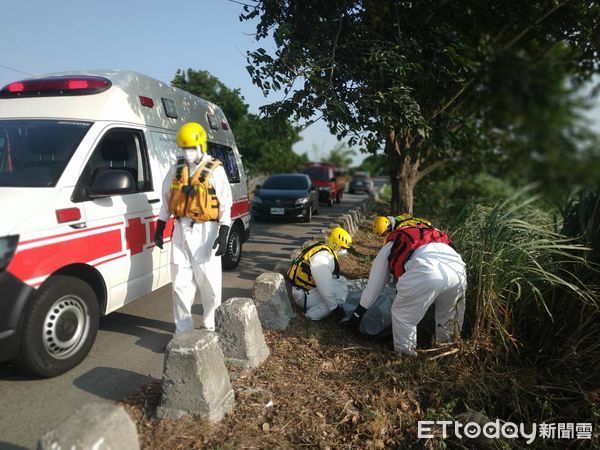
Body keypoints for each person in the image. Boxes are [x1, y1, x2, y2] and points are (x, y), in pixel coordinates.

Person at [153, 122, 233, 335]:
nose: (186, 153)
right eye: (183, 148)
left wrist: (224, 231)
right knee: (180, 284)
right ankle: (183, 332)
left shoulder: (215, 170)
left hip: (206, 232)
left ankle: (209, 325)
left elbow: (225, 202)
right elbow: (167, 200)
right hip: (180, 230)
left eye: (191, 148)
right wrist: (160, 226)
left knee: (209, 283)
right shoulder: (176, 169)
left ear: (201, 146)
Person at [344, 222, 466, 356]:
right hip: (458, 271)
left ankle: (406, 357)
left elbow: (374, 286)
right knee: (448, 316)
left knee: (403, 315)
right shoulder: (433, 233)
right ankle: (447, 352)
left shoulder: (394, 241)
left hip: (427, 272)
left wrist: (357, 315)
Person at [287, 227, 352, 320]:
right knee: (340, 291)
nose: (344, 251)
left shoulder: (323, 250)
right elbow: (325, 287)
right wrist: (335, 308)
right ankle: (311, 315)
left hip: (304, 291)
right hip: (303, 296)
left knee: (341, 281)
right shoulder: (323, 258)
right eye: (343, 248)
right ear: (335, 243)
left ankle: (321, 308)